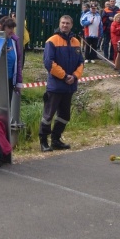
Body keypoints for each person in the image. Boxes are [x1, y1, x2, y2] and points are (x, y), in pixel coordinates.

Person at [40, 15, 85, 152]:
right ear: (59, 24)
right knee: (48, 115)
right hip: (55, 85)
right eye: (63, 23)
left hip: (70, 86)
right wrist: (65, 76)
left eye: (67, 23)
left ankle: (56, 140)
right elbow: (49, 63)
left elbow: (81, 62)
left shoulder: (76, 42)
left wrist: (75, 76)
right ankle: (43, 142)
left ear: (71, 25)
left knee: (65, 115)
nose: (65, 25)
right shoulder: (52, 41)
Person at [0, 16, 24, 104]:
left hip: (9, 80)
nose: (12, 30)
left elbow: (18, 63)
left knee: (6, 107)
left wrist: (18, 82)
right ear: (1, 27)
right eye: (9, 28)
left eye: (13, 28)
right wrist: (1, 53)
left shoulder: (14, 41)